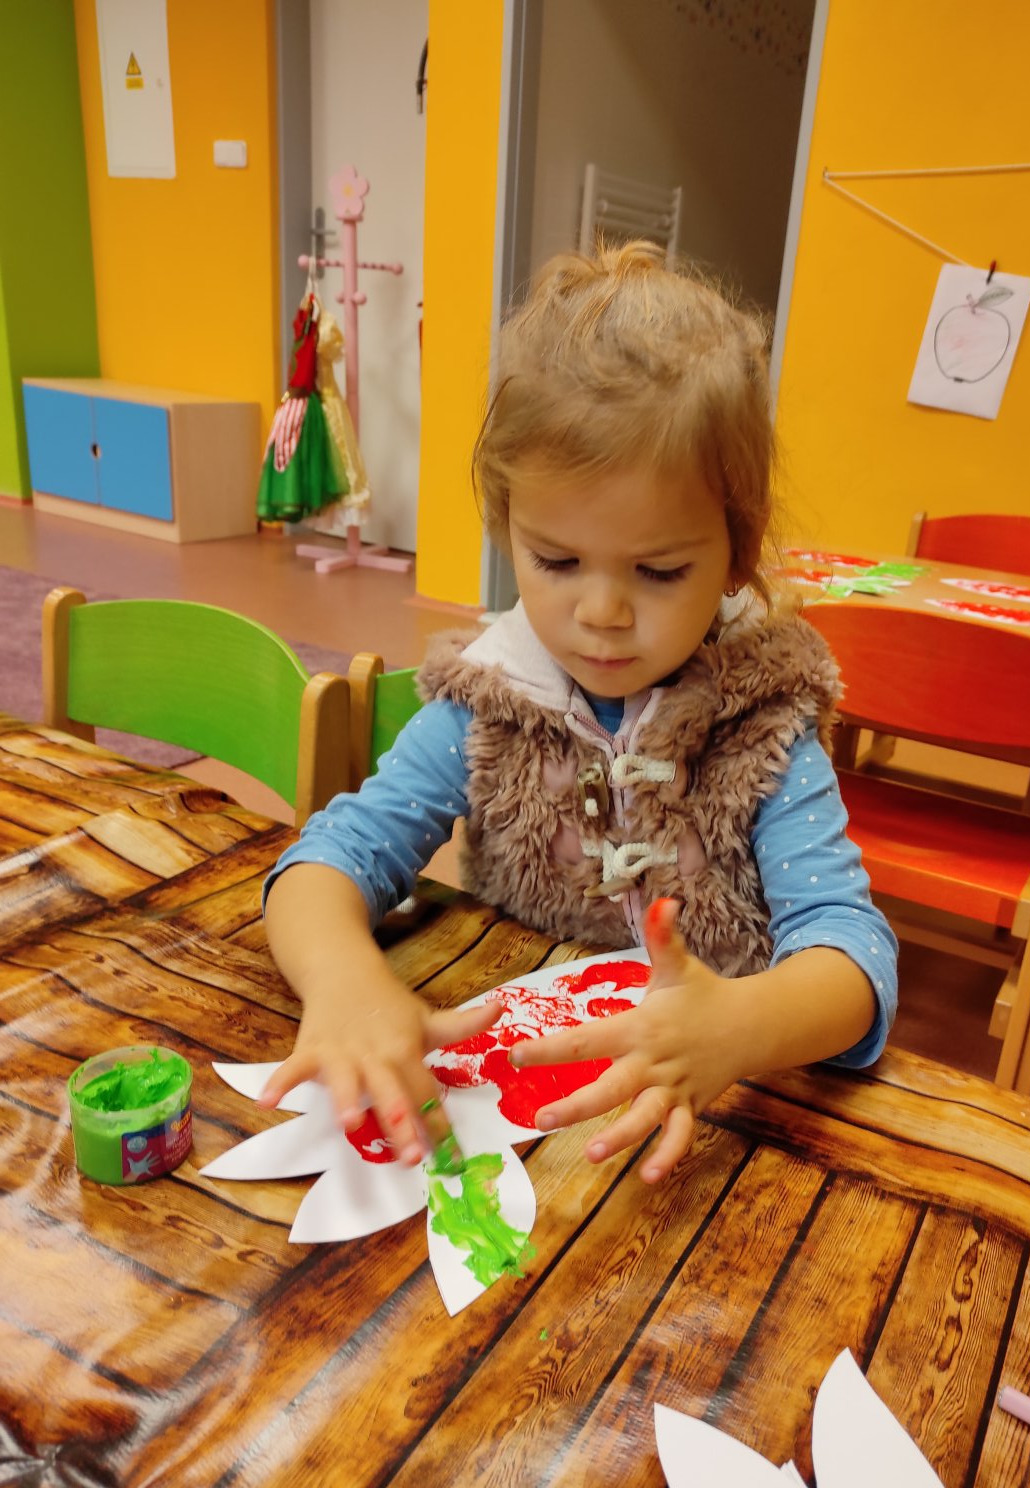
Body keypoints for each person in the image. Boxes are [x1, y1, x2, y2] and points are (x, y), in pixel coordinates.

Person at [260, 242, 898, 1182]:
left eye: (659, 571)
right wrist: (346, 983)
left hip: (704, 1122)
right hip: (514, 1126)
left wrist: (738, 1026)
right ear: (506, 525)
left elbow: (853, 959)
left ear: (735, 552)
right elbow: (325, 861)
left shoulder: (763, 728)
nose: (600, 612)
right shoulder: (488, 707)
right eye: (555, 561)